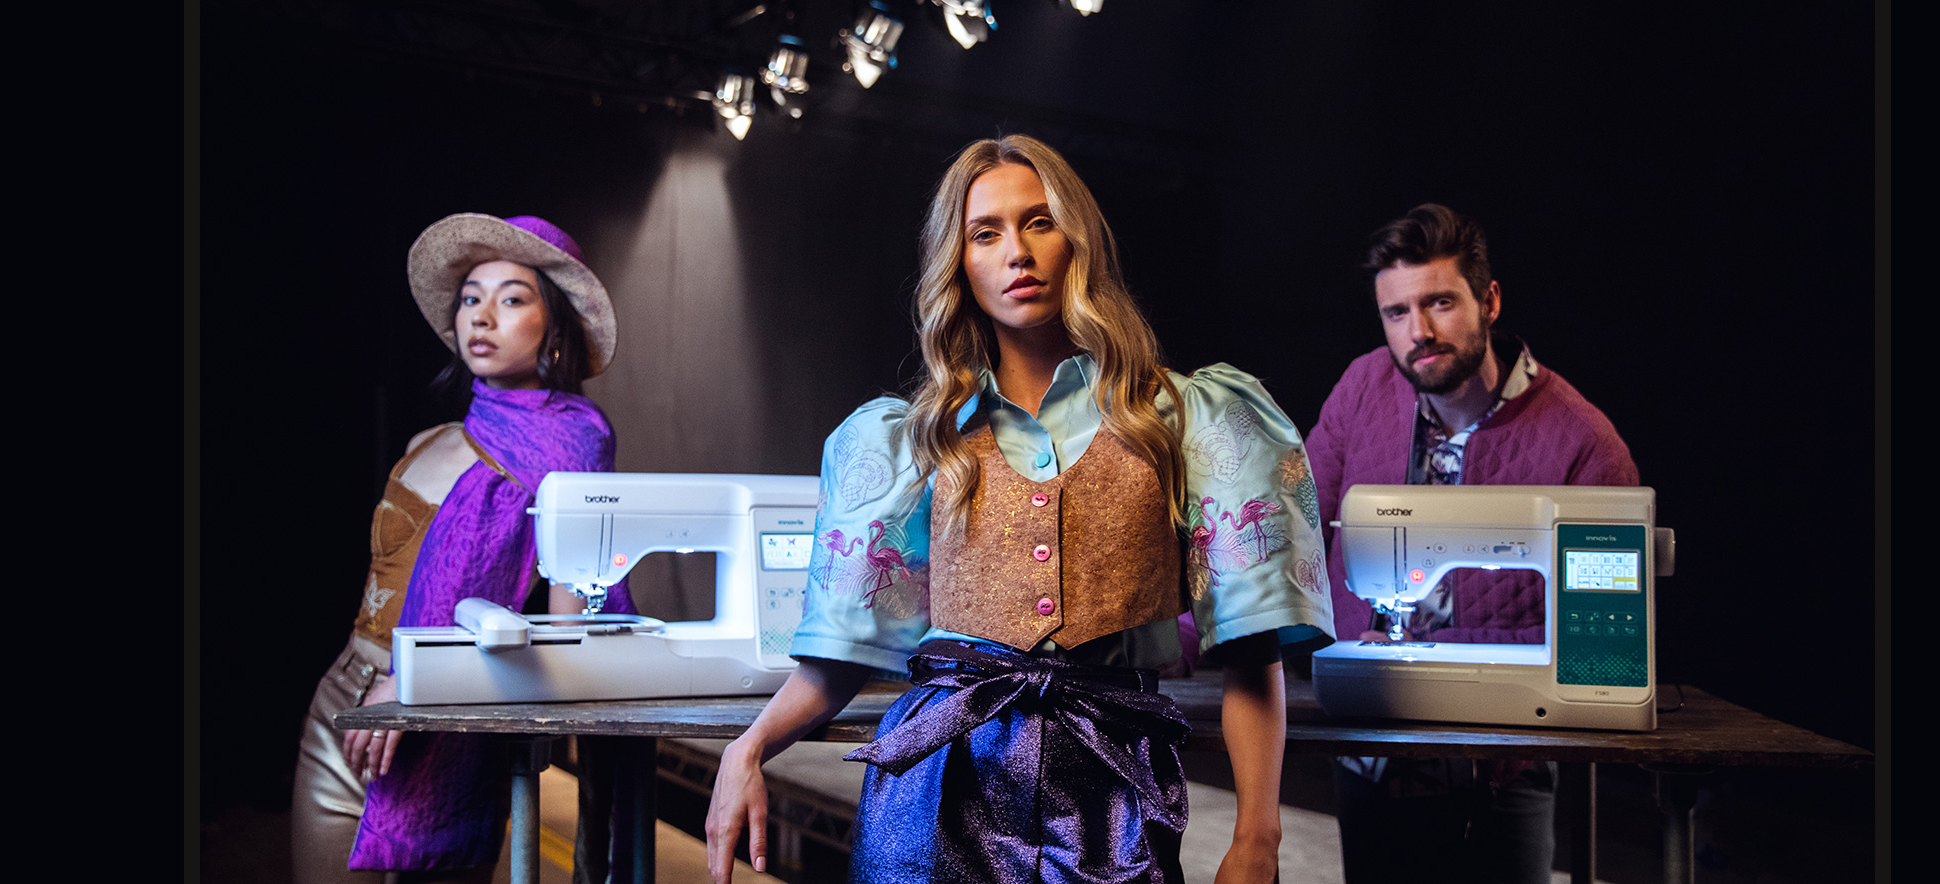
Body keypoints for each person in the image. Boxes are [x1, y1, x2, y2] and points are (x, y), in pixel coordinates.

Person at [703, 135, 1336, 884]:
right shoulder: (912, 439)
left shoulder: (1187, 417)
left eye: (1040, 222)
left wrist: (1256, 837)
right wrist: (747, 749)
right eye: (986, 232)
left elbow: (1251, 658)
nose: (1017, 253)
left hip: (1113, 782)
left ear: (1080, 241)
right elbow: (837, 661)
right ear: (959, 262)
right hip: (938, 785)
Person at [289, 213, 634, 883]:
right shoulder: (431, 440)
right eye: (471, 298)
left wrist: (429, 677)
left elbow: (574, 629)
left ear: (554, 327)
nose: (482, 315)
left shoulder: (573, 445)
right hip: (344, 699)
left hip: (438, 716)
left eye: (511, 298)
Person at [1305, 203, 1639, 883]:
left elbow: (1602, 650)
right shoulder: (1363, 389)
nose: (1418, 332)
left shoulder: (1583, 444)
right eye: (1396, 313)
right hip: (1370, 750)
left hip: (1501, 767)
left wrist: (1423, 660)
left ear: (1488, 299)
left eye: (1439, 303)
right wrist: (1188, 634)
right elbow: (1286, 530)